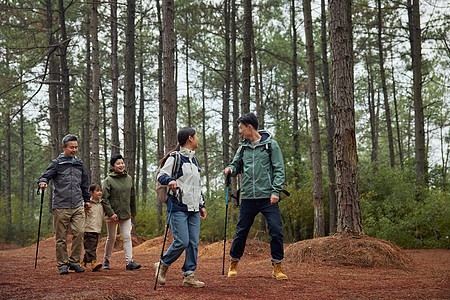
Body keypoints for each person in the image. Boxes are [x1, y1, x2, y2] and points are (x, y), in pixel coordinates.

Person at [224, 112, 288, 280]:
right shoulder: (243, 147)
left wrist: (275, 191)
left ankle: (277, 266)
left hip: (268, 197)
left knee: (276, 230)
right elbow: (236, 164)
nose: (240, 132)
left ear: (249, 127)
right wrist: (230, 169)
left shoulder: (271, 145)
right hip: (248, 198)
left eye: (241, 128)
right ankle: (234, 262)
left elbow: (279, 169)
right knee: (241, 232)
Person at [154, 127, 207, 288]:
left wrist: (201, 204)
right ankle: (162, 264)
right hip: (178, 206)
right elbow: (161, 176)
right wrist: (170, 180)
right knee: (182, 241)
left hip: (194, 208)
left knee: (193, 243)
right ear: (190, 138)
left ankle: (189, 275)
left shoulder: (194, 161)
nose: (198, 139)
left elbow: (196, 186)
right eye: (197, 136)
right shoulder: (175, 158)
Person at [37, 134, 91, 275]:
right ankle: (62, 265)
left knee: (79, 232)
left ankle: (74, 262)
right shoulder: (57, 163)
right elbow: (45, 176)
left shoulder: (79, 164)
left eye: (76, 147)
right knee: (61, 237)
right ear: (64, 147)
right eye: (71, 147)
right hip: (61, 206)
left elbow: (84, 184)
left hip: (78, 204)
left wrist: (86, 200)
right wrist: (42, 182)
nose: (74, 150)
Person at [102, 154, 141, 271]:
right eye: (118, 163)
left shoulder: (129, 179)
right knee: (111, 238)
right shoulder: (108, 180)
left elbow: (132, 196)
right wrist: (110, 213)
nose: (121, 165)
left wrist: (133, 212)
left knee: (127, 237)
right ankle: (106, 261)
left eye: (122, 163)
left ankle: (129, 262)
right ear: (113, 166)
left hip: (126, 213)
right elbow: (104, 199)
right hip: (113, 215)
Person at [81, 184, 104, 271]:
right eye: (97, 191)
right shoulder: (87, 204)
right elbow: (81, 215)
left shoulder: (101, 204)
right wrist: (85, 207)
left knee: (91, 247)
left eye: (100, 191)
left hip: (97, 228)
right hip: (88, 228)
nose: (99, 192)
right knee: (91, 247)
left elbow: (103, 216)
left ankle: (83, 263)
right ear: (91, 193)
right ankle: (94, 262)